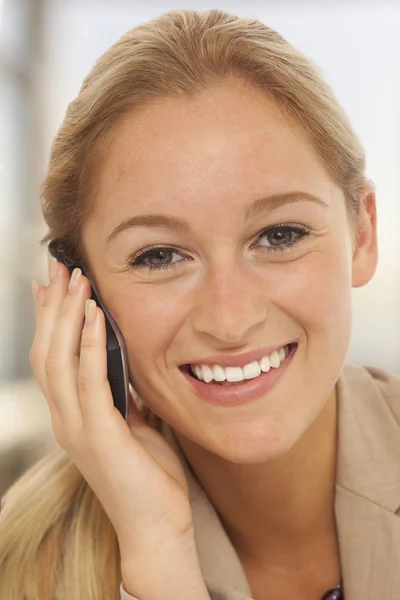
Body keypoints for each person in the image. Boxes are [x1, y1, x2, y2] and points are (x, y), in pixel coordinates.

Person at [0, 8, 399, 600]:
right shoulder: (30, 568)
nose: (230, 318)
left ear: (361, 237)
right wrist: (158, 551)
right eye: (159, 256)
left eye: (279, 235)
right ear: (80, 292)